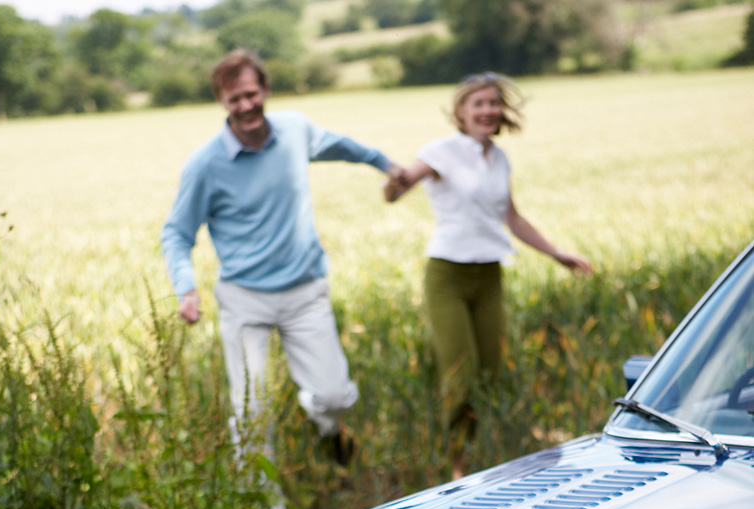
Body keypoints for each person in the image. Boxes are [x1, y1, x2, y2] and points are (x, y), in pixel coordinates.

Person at [161, 49, 405, 464]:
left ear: (266, 90)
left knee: (335, 396)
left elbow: (343, 147)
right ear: (222, 103)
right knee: (251, 413)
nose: (246, 105)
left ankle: (326, 427)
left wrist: (386, 164)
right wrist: (186, 287)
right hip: (244, 300)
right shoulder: (204, 165)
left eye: (251, 94)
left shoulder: (295, 130)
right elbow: (177, 233)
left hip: (305, 291)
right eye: (234, 99)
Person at [384, 72, 592, 476]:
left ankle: (488, 454)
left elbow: (511, 217)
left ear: (502, 112)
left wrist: (557, 253)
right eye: (478, 103)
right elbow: (398, 188)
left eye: (493, 103)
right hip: (448, 276)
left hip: (489, 275)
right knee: (460, 377)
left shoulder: (498, 157)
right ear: (460, 112)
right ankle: (456, 465)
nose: (488, 110)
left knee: (492, 374)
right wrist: (394, 183)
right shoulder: (440, 151)